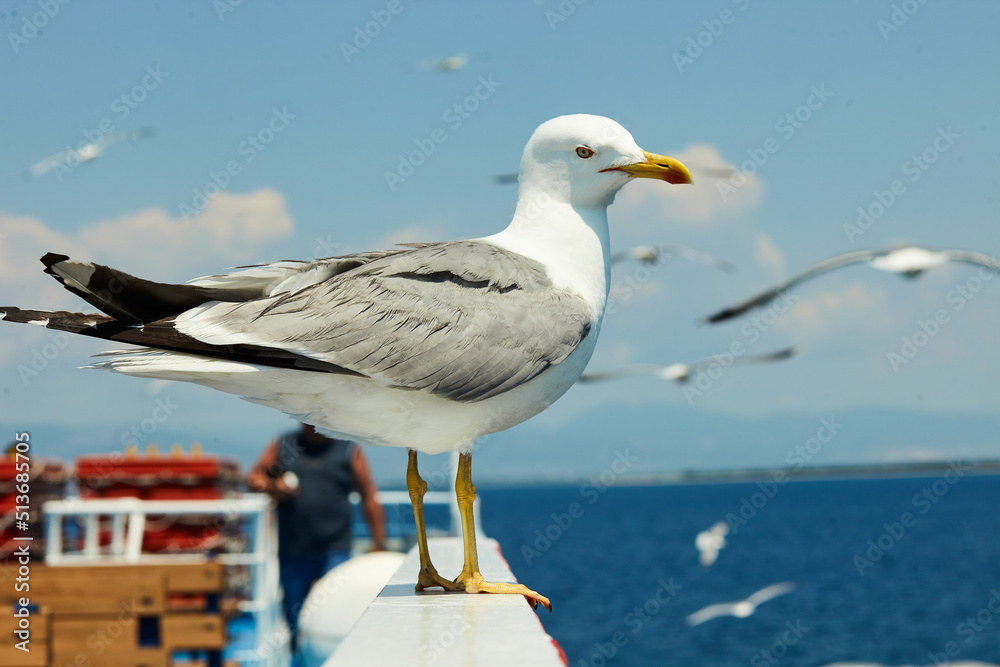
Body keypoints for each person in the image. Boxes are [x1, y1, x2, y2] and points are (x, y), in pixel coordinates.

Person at [248, 423, 387, 640]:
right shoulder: (284, 444)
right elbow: (254, 477)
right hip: (293, 551)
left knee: (336, 614)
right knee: (295, 621)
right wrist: (274, 487)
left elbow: (369, 496)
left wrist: (378, 543)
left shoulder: (349, 448)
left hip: (335, 550)